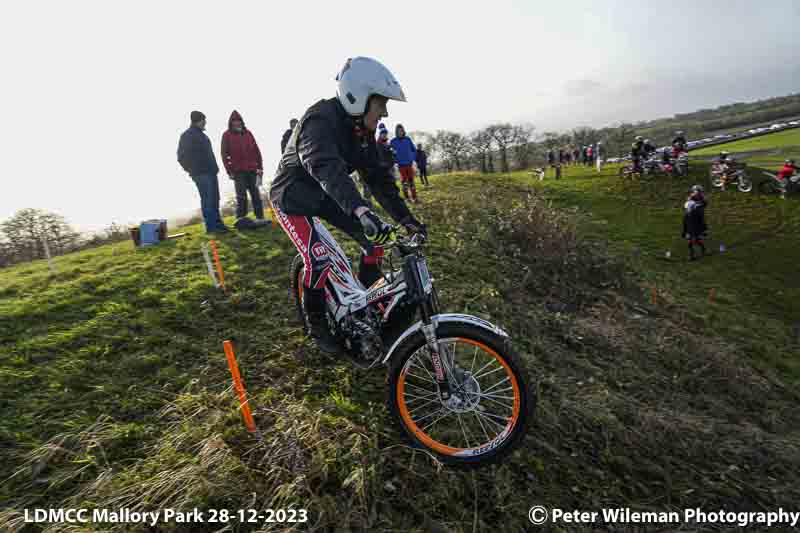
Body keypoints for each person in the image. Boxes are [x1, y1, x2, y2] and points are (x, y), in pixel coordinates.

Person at [269, 56, 425, 354]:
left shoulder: (360, 134)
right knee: (319, 260)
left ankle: (369, 289)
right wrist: (360, 210)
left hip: (328, 195)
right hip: (292, 197)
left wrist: (406, 219)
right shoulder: (319, 119)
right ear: (359, 97)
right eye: (381, 105)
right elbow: (325, 166)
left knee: (377, 238)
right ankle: (317, 325)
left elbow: (379, 179)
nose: (385, 113)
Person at [177, 111, 227, 233]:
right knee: (208, 200)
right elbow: (181, 157)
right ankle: (211, 228)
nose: (205, 122)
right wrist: (192, 170)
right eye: (203, 120)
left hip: (211, 172)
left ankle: (218, 225)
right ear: (197, 121)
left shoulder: (203, 135)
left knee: (215, 199)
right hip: (201, 174)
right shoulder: (187, 136)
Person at [221, 110, 265, 222]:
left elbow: (256, 151)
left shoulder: (248, 133)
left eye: (239, 121)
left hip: (252, 169)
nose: (237, 123)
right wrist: (229, 171)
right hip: (238, 171)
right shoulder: (226, 135)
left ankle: (260, 217)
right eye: (234, 122)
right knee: (241, 196)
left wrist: (260, 168)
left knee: (256, 195)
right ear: (231, 123)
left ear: (242, 122)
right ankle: (241, 218)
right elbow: (224, 154)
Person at [390, 124, 418, 203]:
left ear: (403, 131)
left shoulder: (408, 139)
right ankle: (407, 199)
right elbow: (391, 154)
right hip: (401, 165)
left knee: (411, 181)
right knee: (404, 183)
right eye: (398, 131)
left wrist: (412, 158)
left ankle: (415, 198)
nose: (400, 132)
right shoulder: (393, 141)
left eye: (401, 131)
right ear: (396, 132)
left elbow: (414, 150)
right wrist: (396, 160)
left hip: (409, 164)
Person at [682, 185, 708, 261]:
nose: (696, 193)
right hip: (690, 221)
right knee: (690, 240)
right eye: (695, 191)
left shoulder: (702, 199)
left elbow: (704, 204)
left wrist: (697, 206)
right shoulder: (691, 199)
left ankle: (703, 249)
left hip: (697, 221)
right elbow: (685, 218)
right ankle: (691, 255)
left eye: (697, 191)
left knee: (696, 239)